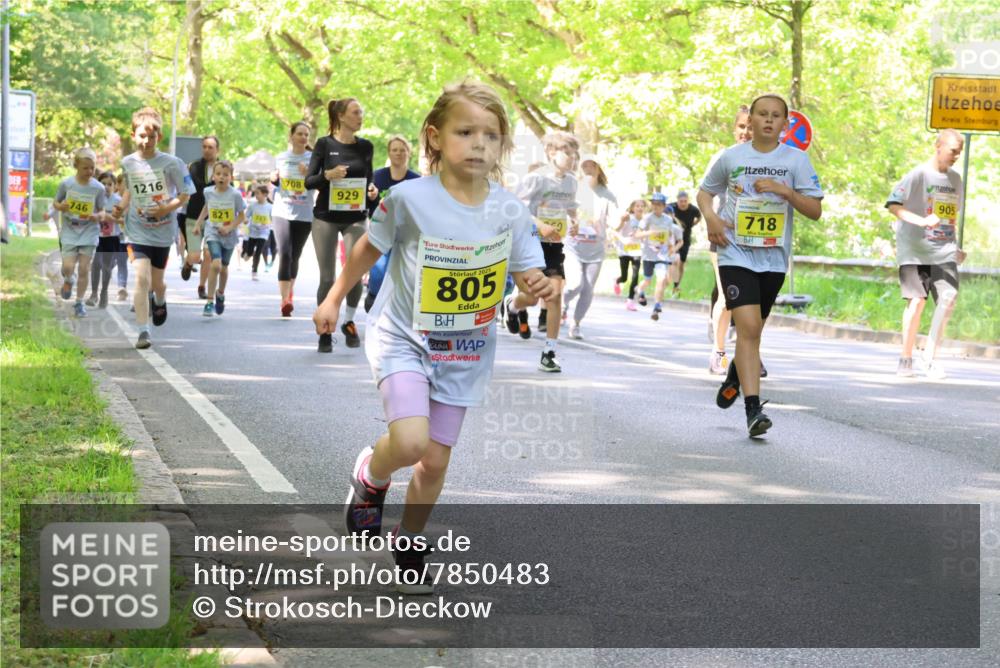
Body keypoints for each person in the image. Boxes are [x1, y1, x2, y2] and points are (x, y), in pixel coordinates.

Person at [314, 80, 554, 593]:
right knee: (410, 440)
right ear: (436, 138)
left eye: (491, 135)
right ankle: (371, 478)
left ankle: (411, 537)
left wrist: (535, 289)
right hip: (402, 336)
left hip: (465, 352)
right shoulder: (407, 199)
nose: (479, 144)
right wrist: (335, 298)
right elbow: (367, 250)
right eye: (465, 132)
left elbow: (528, 281)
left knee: (435, 460)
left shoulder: (510, 211)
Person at [698, 93, 823, 437]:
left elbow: (814, 210)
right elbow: (704, 193)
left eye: (776, 116)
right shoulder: (731, 157)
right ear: (750, 120)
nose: (768, 120)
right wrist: (711, 219)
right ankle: (754, 410)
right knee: (749, 327)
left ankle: (736, 376)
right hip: (735, 252)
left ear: (785, 123)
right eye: (762, 114)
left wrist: (787, 193)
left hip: (772, 258)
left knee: (754, 331)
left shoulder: (796, 160)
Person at [886, 129, 966, 379]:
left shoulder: (956, 180)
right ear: (938, 146)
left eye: (959, 153)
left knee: (948, 298)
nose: (955, 156)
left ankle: (929, 357)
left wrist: (957, 245)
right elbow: (893, 206)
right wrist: (921, 222)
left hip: (944, 250)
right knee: (917, 302)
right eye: (953, 151)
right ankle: (906, 357)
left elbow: (949, 217)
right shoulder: (918, 175)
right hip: (914, 250)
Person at [114, 107, 195, 348]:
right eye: (141, 136)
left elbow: (185, 195)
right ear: (133, 135)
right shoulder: (128, 163)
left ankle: (160, 299)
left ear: (158, 137)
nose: (146, 141)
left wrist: (164, 209)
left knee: (157, 282)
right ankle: (143, 331)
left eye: (151, 137)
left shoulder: (172, 163)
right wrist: (121, 207)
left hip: (162, 230)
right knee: (141, 278)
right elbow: (129, 189)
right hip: (137, 229)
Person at [305, 98, 378, 352]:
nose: (361, 117)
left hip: (356, 218)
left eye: (362, 112)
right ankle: (324, 330)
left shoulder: (366, 147)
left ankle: (348, 320)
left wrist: (371, 190)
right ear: (342, 116)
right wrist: (328, 175)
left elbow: (368, 179)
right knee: (327, 277)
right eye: (356, 112)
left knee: (354, 273)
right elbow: (309, 181)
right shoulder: (325, 145)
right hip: (325, 217)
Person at [503, 131, 580, 372]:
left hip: (554, 246)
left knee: (555, 295)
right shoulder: (536, 179)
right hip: (530, 242)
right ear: (551, 153)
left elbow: (569, 207)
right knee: (533, 297)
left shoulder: (571, 182)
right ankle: (513, 305)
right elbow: (516, 210)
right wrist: (541, 225)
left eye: (574, 153)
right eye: (566, 152)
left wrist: (574, 221)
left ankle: (549, 352)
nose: (572, 157)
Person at [707, 106, 754, 375]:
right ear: (734, 129)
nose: (746, 132)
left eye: (750, 127)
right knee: (727, 296)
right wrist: (712, 223)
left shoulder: (769, 160)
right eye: (741, 127)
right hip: (724, 236)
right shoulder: (723, 157)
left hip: (756, 240)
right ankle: (719, 351)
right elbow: (706, 194)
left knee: (755, 300)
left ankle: (750, 354)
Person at [363, 135, 421, 311]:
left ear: (408, 154)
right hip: (381, 232)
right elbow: (366, 205)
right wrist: (370, 197)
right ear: (389, 152)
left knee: (403, 278)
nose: (398, 153)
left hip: (406, 236)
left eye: (402, 150)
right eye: (394, 150)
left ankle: (393, 312)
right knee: (379, 273)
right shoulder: (377, 176)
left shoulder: (416, 180)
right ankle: (373, 296)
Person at [562, 155, 617, 339]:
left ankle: (576, 324)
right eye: (584, 165)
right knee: (575, 284)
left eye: (592, 165)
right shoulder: (573, 190)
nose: (588, 168)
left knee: (588, 289)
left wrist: (618, 223)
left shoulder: (607, 195)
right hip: (573, 246)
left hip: (595, 250)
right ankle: (561, 303)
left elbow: (614, 222)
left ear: (598, 169)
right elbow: (561, 211)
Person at [52, 148, 107, 317]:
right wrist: (61, 207)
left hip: (89, 231)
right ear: (76, 166)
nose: (89, 171)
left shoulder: (98, 188)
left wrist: (97, 216)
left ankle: (79, 302)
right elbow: (56, 202)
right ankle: (69, 279)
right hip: (69, 230)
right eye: (85, 168)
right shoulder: (67, 184)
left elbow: (103, 211)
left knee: (84, 268)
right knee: (68, 267)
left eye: (92, 168)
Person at [270, 122, 315, 317]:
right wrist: (273, 178)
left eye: (306, 135)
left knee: (295, 255)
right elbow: (276, 183)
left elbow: (319, 183)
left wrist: (310, 175)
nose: (303, 138)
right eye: (300, 134)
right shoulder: (281, 158)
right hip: (282, 210)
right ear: (291, 136)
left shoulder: (313, 159)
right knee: (285, 254)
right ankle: (284, 300)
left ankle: (290, 291)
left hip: (304, 213)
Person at [192, 160, 245, 317]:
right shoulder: (208, 192)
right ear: (213, 176)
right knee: (215, 263)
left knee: (223, 267)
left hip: (229, 235)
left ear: (231, 177)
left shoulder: (235, 194)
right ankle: (209, 301)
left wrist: (229, 227)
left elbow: (241, 216)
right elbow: (207, 207)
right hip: (212, 231)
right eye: (218, 174)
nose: (222, 177)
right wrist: (198, 224)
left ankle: (220, 293)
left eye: (226, 175)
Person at [179, 136, 220, 295]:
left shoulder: (223, 168)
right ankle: (189, 263)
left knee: (209, 254)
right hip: (193, 216)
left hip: (214, 219)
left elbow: (229, 191)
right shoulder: (193, 167)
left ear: (217, 149)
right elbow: (185, 187)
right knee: (195, 256)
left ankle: (202, 286)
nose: (207, 150)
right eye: (204, 146)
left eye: (211, 147)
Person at [634, 192, 683, 321]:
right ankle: (640, 290)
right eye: (654, 204)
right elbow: (637, 235)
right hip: (648, 255)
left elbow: (669, 236)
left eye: (659, 205)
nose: (656, 207)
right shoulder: (647, 218)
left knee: (661, 279)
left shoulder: (668, 220)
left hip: (662, 255)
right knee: (648, 280)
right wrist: (650, 232)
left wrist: (671, 247)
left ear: (663, 206)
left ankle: (656, 306)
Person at [86, 170, 123, 309]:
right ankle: (94, 294)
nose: (106, 187)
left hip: (112, 238)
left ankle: (104, 292)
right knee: (96, 263)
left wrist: (109, 218)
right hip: (96, 236)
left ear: (115, 186)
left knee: (107, 267)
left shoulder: (119, 201)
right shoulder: (95, 199)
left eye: (110, 184)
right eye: (103, 184)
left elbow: (123, 220)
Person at [613, 198, 645, 310]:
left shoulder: (645, 221)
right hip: (624, 250)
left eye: (642, 206)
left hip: (637, 250)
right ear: (632, 208)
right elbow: (615, 230)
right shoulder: (627, 218)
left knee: (635, 276)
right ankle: (617, 280)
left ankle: (630, 301)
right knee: (625, 277)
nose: (640, 208)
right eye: (637, 206)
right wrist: (622, 222)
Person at [667, 191, 701, 296]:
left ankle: (676, 285)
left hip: (685, 239)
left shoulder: (693, 210)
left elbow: (699, 217)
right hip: (673, 239)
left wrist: (693, 224)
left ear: (688, 201)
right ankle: (668, 282)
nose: (683, 203)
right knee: (674, 261)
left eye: (685, 201)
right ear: (677, 201)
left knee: (681, 263)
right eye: (681, 201)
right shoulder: (671, 207)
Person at [244, 185, 272, 280]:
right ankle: (248, 253)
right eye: (255, 193)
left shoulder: (270, 207)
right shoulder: (252, 206)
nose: (256, 195)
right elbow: (246, 216)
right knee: (250, 252)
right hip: (253, 232)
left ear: (265, 195)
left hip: (263, 233)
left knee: (258, 252)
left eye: (258, 193)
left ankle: (254, 271)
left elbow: (273, 219)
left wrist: (270, 225)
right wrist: (246, 220)